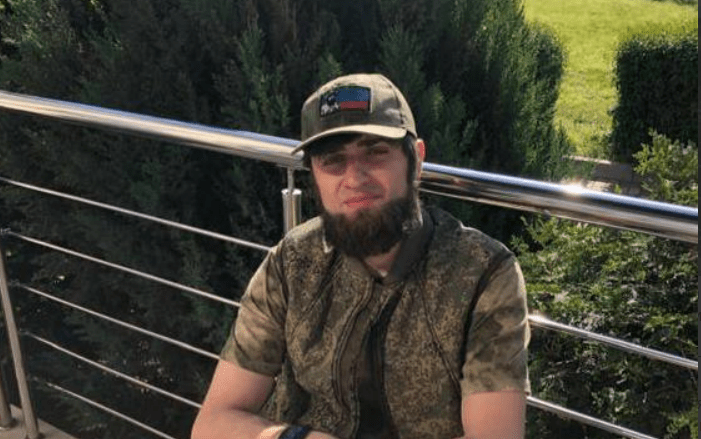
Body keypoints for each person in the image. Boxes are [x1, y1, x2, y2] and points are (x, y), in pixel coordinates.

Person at [191, 73, 530, 439]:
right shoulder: (292, 263)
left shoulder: (482, 275)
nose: (354, 178)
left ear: (416, 160)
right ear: (314, 176)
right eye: (332, 160)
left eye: (375, 152)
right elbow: (213, 424)